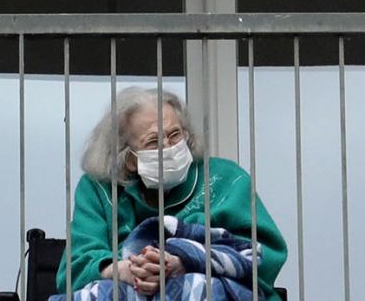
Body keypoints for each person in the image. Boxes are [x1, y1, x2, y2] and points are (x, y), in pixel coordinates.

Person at [59, 88, 286, 301]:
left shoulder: (227, 178)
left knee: (197, 285)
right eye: (153, 141)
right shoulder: (97, 188)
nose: (168, 147)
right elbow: (74, 268)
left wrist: (185, 260)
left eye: (175, 135)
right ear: (128, 159)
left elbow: (263, 255)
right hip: (129, 289)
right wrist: (124, 269)